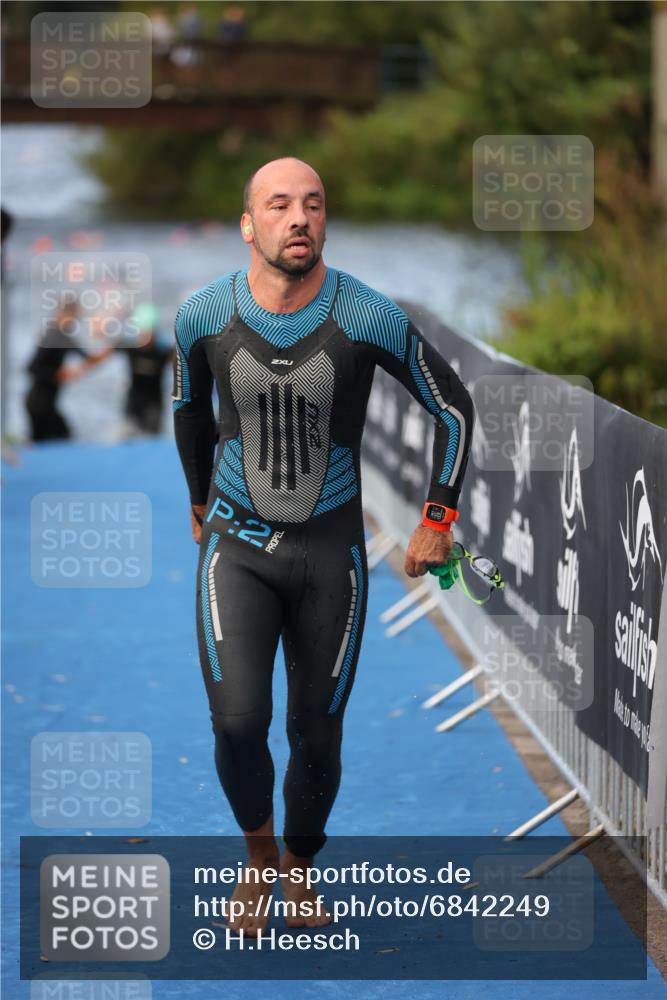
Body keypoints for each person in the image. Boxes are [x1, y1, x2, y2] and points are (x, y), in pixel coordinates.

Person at [172, 157, 474, 937]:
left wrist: (436, 517)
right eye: (279, 205)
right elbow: (189, 411)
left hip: (330, 555)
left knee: (315, 731)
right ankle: (258, 857)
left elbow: (455, 409)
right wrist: (199, 500)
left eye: (312, 204)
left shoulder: (366, 315)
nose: (298, 217)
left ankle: (300, 869)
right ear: (249, 224)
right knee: (238, 722)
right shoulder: (202, 314)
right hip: (234, 548)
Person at [25, 298, 111, 442]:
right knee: (58, 439)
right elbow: (32, 368)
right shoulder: (52, 335)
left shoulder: (64, 337)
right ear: (62, 314)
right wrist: (58, 374)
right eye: (73, 315)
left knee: (59, 438)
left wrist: (109, 346)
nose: (74, 320)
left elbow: (89, 359)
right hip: (38, 403)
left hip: (48, 402)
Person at [116, 304, 173, 436]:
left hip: (154, 403)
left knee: (152, 437)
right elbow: (105, 352)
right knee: (129, 434)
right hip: (133, 401)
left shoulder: (163, 352)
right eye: (143, 333)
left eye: (149, 333)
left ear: (156, 333)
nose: (146, 337)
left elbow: (182, 365)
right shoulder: (131, 349)